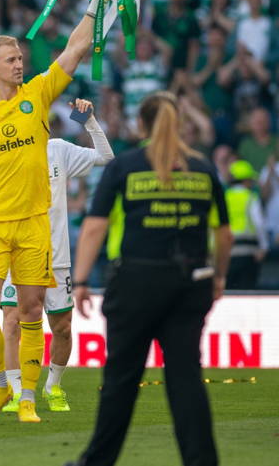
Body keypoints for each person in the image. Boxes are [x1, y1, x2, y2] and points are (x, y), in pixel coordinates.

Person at [0, 0, 101, 423]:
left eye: (20, 58)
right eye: (10, 60)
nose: (18, 64)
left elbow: (75, 49)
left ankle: (27, 398)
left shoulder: (39, 93)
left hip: (33, 224)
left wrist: (95, 4)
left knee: (29, 311)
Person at [66, 91, 233, 466]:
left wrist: (81, 281)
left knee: (121, 380)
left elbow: (95, 226)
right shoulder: (202, 168)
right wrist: (219, 276)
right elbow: (224, 233)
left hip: (136, 282)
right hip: (191, 282)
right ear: (179, 123)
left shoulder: (126, 165)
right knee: (186, 378)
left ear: (141, 124)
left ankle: (97, 462)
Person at [0, 98, 114, 414]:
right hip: (16, 253)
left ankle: (53, 385)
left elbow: (106, 157)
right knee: (12, 322)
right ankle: (16, 391)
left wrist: (90, 122)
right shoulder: (3, 151)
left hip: (56, 258)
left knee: (61, 327)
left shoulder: (59, 150)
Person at [224, 160, 269, 289]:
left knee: (228, 293)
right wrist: (264, 247)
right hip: (248, 253)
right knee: (247, 292)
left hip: (227, 253)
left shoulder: (224, 198)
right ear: (245, 180)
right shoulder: (251, 197)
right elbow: (259, 223)